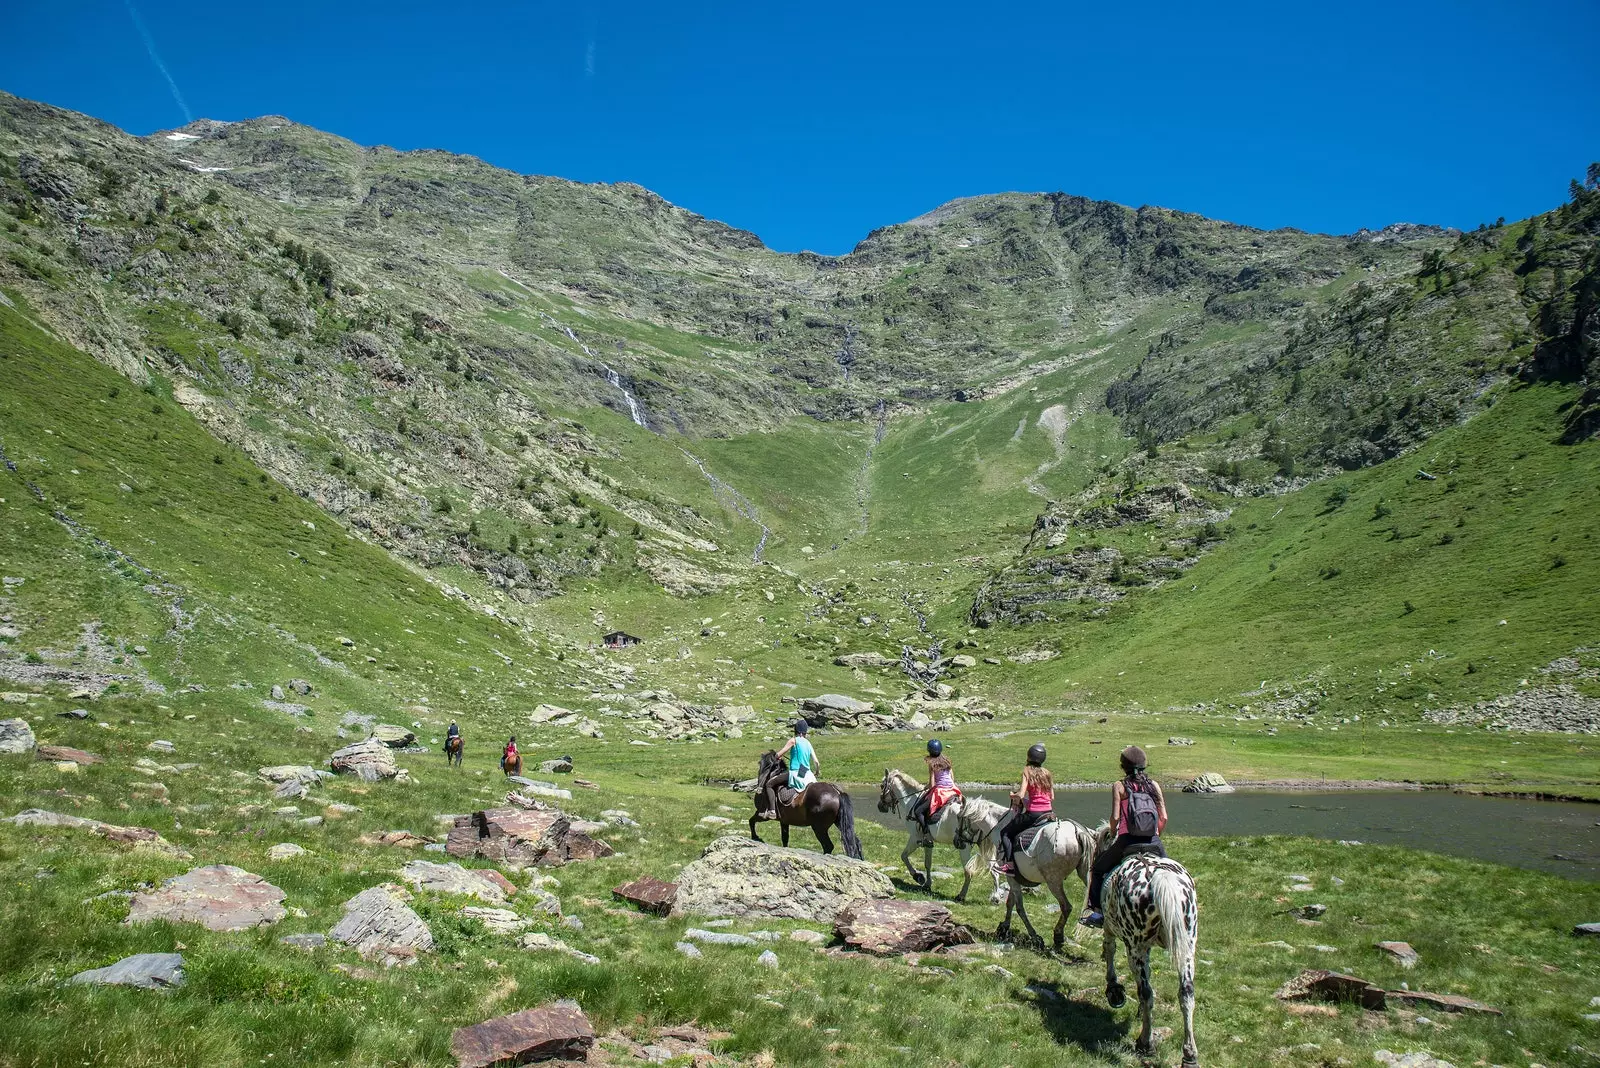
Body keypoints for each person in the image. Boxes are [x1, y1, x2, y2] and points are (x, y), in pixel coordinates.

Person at [1080, 745, 1169, 928]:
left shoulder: (1120, 786)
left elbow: (1115, 817)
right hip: (1153, 841)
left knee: (1097, 870)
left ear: (1123, 767)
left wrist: (1114, 833)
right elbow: (1164, 817)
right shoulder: (1154, 785)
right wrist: (1156, 833)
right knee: (1169, 873)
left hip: (1127, 841)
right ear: (1145, 765)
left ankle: (1097, 913)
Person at [994, 743, 1054, 875]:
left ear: (1029, 756)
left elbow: (1021, 794)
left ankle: (1009, 866)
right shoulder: (1047, 773)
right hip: (1049, 812)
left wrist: (1013, 795)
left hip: (1033, 813)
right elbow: (1051, 797)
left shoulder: (1027, 770)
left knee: (1005, 833)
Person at [760, 720, 818, 819]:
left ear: (796, 730)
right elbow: (817, 762)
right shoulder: (808, 743)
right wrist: (817, 772)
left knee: (769, 784)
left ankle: (772, 811)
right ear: (805, 731)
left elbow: (780, 753)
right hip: (807, 773)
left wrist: (776, 756)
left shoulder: (793, 740)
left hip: (795, 772)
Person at [911, 738, 960, 836]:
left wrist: (926, 787)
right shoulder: (947, 760)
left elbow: (932, 784)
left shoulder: (931, 763)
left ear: (929, 750)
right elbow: (952, 778)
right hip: (952, 789)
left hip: (941, 791)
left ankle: (927, 834)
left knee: (918, 811)